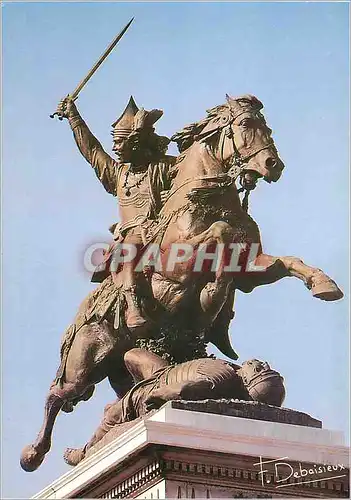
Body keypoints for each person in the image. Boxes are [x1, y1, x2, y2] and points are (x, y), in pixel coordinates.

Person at [56, 96, 177, 334]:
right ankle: (133, 306)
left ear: (136, 142)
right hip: (132, 237)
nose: (114, 148)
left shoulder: (166, 167)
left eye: (120, 143)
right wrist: (73, 117)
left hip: (163, 232)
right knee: (129, 247)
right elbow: (92, 149)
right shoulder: (117, 174)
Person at [64, 348, 285, 465]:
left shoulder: (223, 377)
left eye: (258, 369)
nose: (258, 363)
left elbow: (185, 389)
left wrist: (159, 395)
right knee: (131, 354)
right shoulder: (232, 371)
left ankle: (85, 453)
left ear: (249, 381)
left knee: (112, 415)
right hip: (165, 371)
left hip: (155, 386)